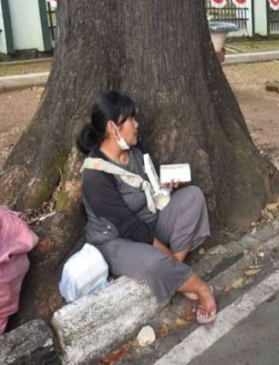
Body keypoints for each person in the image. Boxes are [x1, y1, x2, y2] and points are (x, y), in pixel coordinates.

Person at [76, 91, 216, 324]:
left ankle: (174, 275)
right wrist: (166, 256)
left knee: (193, 197)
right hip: (115, 240)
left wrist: (164, 186)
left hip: (148, 220)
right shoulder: (95, 175)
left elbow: (146, 185)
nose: (137, 124)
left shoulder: (135, 150)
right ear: (113, 127)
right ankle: (199, 287)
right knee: (153, 261)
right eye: (131, 119)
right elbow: (130, 227)